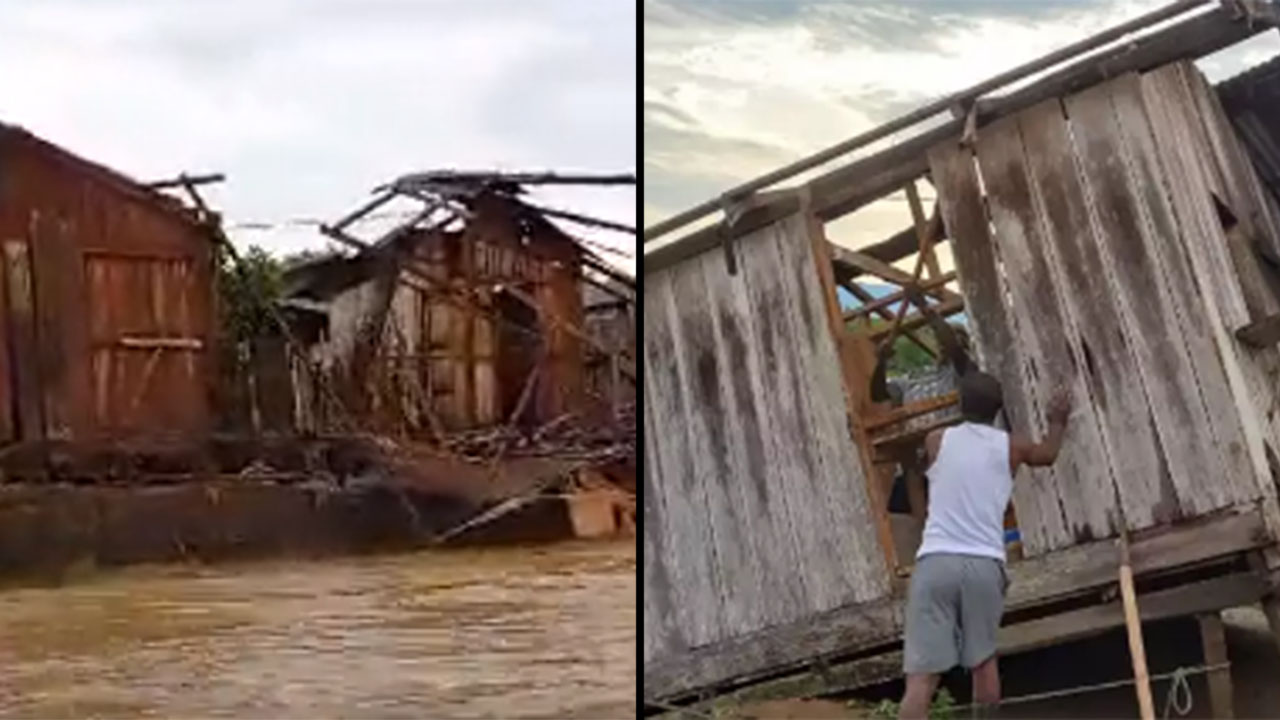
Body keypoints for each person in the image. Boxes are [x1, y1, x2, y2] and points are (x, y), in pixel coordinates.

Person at [898, 371, 1071, 720]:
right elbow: (1048, 455)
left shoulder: (936, 439)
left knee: (921, 680)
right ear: (997, 410)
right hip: (983, 564)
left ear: (960, 404)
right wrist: (1057, 421)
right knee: (983, 664)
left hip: (936, 561)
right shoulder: (1013, 446)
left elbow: (919, 469)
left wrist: (922, 512)